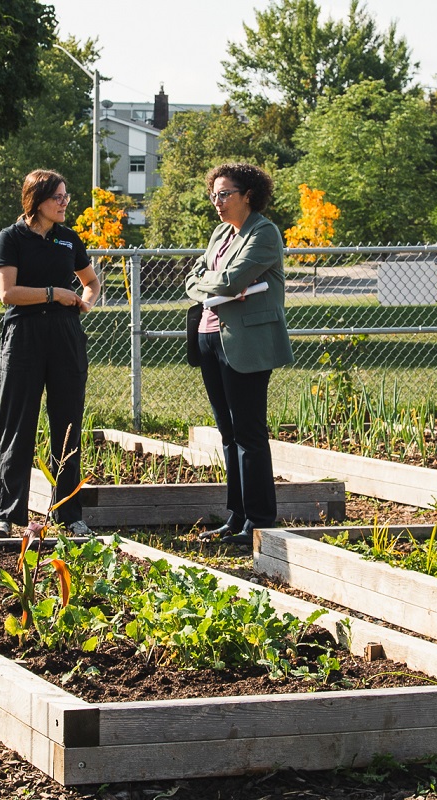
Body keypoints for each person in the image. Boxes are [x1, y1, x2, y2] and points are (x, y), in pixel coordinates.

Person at [0, 169, 101, 538]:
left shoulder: (69, 239)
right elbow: (8, 293)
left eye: (66, 196)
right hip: (24, 335)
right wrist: (54, 293)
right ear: (36, 201)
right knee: (17, 424)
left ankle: (70, 515)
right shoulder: (12, 237)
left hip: (65, 336)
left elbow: (91, 283)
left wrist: (83, 303)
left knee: (67, 426)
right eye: (58, 197)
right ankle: (4, 514)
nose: (65, 202)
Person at [185, 163, 293, 546]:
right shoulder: (220, 233)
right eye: (213, 194)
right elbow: (192, 279)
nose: (217, 201)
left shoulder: (264, 233)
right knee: (228, 433)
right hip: (209, 336)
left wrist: (215, 284)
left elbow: (230, 279)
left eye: (224, 193)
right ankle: (237, 516)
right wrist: (214, 287)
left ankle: (260, 522)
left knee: (249, 433)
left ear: (247, 195)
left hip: (245, 343)